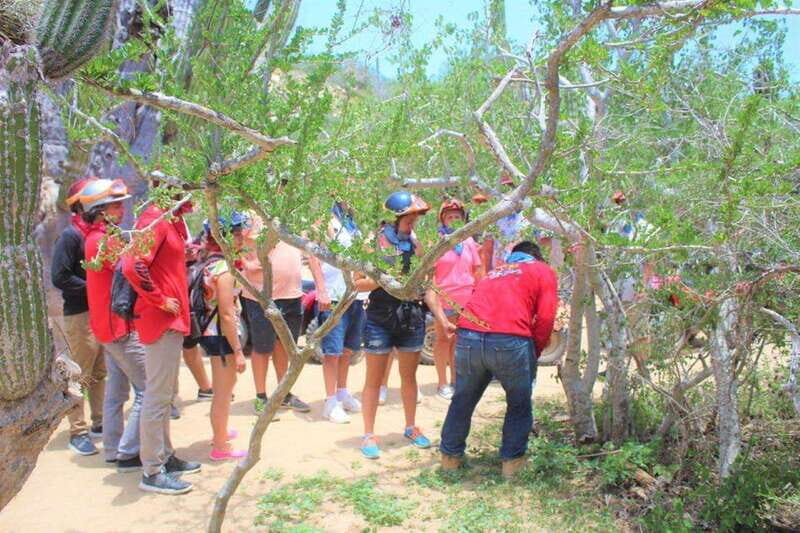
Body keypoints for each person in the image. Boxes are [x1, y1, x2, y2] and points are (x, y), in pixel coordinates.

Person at [440, 241, 558, 478]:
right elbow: (546, 317)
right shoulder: (542, 270)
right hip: (510, 340)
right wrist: (534, 350)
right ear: (537, 257)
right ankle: (511, 467)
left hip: (469, 337)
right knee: (518, 404)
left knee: (462, 399)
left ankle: (449, 460)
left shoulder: (495, 272)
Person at [356, 191, 452, 459]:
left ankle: (410, 427)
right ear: (395, 217)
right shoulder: (373, 243)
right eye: (410, 217)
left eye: (415, 218)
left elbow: (428, 284)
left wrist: (441, 318)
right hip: (380, 316)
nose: (414, 222)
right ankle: (368, 434)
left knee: (409, 377)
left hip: (411, 316)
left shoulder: (416, 243)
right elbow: (358, 282)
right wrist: (386, 279)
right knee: (374, 379)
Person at [122, 189, 201, 495]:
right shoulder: (155, 218)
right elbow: (132, 265)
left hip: (169, 321)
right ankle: (153, 470)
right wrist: (159, 299)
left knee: (163, 395)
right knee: (157, 396)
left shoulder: (167, 219)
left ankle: (165, 457)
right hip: (160, 322)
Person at [81, 179, 146, 472]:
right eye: (116, 205)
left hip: (110, 328)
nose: (121, 209)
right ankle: (128, 453)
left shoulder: (100, 237)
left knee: (116, 394)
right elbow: (131, 267)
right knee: (149, 390)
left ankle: (112, 448)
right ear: (100, 210)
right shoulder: (101, 241)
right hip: (119, 329)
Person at [240, 213, 317, 415]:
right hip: (261, 295)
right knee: (262, 347)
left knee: (284, 345)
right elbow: (234, 239)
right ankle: (260, 397)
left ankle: (283, 394)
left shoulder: (293, 212)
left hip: (292, 293)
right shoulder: (251, 214)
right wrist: (246, 264)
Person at [51, 177, 106, 456]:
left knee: (98, 371)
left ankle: (99, 422)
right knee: (80, 373)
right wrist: (93, 289)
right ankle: (78, 430)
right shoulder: (71, 236)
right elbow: (59, 276)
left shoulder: (95, 234)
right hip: (80, 314)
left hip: (98, 313)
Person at [197, 214, 248, 460]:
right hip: (221, 336)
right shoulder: (224, 270)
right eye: (236, 233)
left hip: (212, 333)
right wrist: (238, 350)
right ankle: (220, 446)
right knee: (224, 392)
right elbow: (227, 314)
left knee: (224, 388)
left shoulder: (210, 262)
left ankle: (222, 431)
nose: (241, 238)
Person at [313, 201, 366, 424]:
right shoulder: (325, 220)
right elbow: (314, 255)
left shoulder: (354, 223)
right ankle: (330, 401)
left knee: (347, 350)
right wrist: (321, 290)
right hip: (333, 296)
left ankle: (342, 392)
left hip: (355, 296)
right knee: (332, 352)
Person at [432, 199, 483, 400]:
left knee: (458, 342)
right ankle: (442, 382)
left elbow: (476, 269)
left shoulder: (468, 241)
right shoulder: (437, 240)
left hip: (465, 299)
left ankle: (455, 380)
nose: (454, 219)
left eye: (457, 216)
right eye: (450, 216)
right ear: (443, 219)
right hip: (443, 298)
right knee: (443, 340)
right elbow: (431, 272)